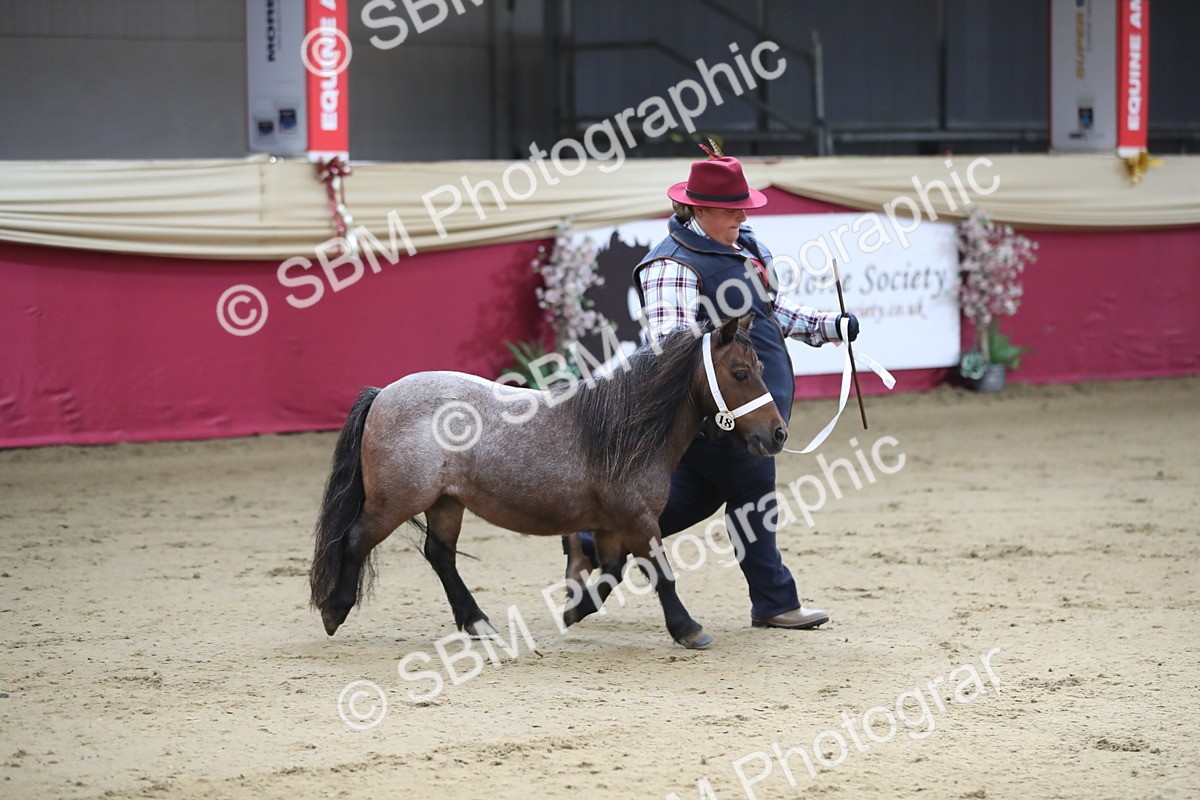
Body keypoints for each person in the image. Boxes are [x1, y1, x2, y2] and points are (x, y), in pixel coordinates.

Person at [562, 149, 858, 630]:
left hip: (753, 404)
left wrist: (828, 326)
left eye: (745, 207)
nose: (743, 216)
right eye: (731, 209)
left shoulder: (747, 245)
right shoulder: (669, 266)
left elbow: (770, 313)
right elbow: (672, 351)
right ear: (698, 210)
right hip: (711, 415)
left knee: (692, 499)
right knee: (753, 490)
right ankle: (775, 602)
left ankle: (593, 541)